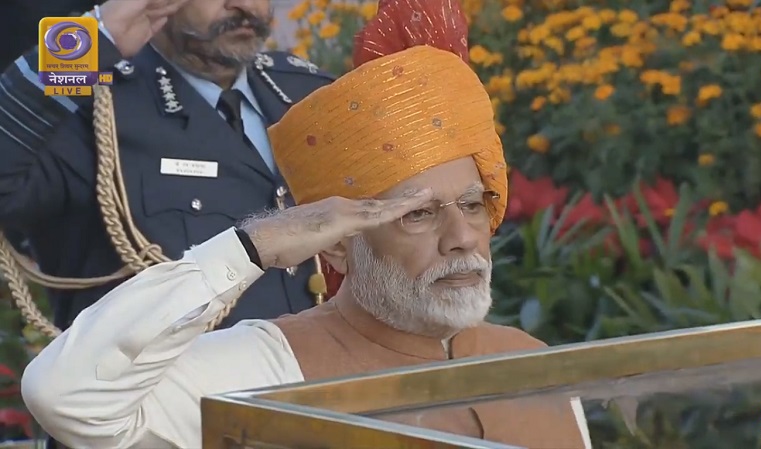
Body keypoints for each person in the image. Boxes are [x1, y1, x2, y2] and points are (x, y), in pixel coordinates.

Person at [21, 0, 593, 448]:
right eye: (418, 212)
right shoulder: (101, 100)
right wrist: (86, 42)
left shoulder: (304, 92)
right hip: (202, 396)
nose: (247, 5)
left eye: (472, 206)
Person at [0, 0, 335, 333]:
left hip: (312, 373)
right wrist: (92, 39)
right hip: (169, 382)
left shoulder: (302, 88)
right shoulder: (89, 104)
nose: (244, 5)